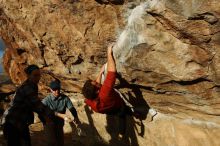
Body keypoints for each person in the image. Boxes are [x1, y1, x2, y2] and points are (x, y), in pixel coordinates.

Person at [82, 44, 133, 138]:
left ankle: (121, 134)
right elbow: (112, 72)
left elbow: (95, 86)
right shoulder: (105, 92)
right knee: (122, 114)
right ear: (97, 91)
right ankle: (124, 129)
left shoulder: (90, 98)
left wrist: (101, 73)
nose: (97, 81)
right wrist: (109, 53)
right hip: (117, 106)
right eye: (96, 83)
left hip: (108, 109)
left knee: (117, 114)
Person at [1, 64, 56, 146]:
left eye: (39, 75)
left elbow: (32, 105)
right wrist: (53, 114)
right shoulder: (28, 87)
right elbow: (37, 104)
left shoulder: (32, 85)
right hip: (12, 121)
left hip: (20, 121)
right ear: (28, 75)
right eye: (35, 75)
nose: (38, 77)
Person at [41, 80, 81, 146]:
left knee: (60, 141)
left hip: (59, 123)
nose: (57, 91)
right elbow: (41, 110)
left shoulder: (65, 98)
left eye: (58, 89)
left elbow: (71, 108)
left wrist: (76, 117)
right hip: (49, 123)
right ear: (51, 90)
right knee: (51, 142)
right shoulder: (46, 100)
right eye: (54, 89)